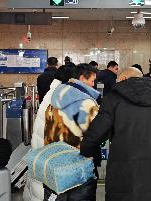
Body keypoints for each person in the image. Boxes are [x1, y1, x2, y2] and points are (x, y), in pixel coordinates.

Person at [80, 67, 151, 201]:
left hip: (125, 181)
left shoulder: (114, 100)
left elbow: (93, 138)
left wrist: (88, 158)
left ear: (122, 79)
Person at [44, 63, 100, 201]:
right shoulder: (86, 103)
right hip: (78, 166)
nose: (93, 85)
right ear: (82, 78)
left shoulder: (55, 97)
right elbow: (98, 131)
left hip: (53, 162)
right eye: (92, 81)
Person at [23, 65, 75, 201]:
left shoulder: (53, 91)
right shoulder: (61, 95)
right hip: (49, 151)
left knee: (39, 186)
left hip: (43, 148)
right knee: (46, 190)